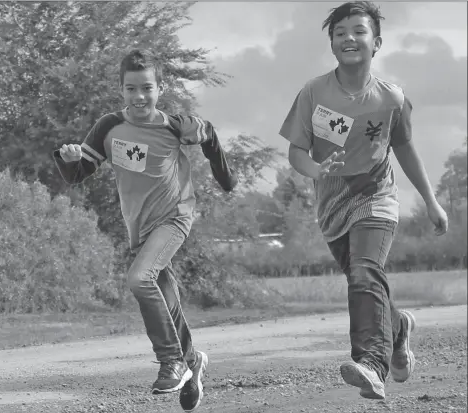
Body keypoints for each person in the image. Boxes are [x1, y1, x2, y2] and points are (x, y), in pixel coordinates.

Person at [279, 1, 449, 400]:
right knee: (364, 279)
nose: (349, 38)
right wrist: (316, 171)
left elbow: (405, 149)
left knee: (364, 270)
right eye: (340, 33)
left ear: (377, 43)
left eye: (358, 31)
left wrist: (431, 200)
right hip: (332, 204)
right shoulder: (313, 91)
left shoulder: (391, 98)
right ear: (332, 43)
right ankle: (398, 327)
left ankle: (372, 364)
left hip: (377, 197)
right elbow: (296, 153)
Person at [54, 49, 238, 411]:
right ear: (121, 90)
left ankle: (171, 360)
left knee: (139, 279)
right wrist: (66, 159)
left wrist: (226, 180)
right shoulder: (108, 127)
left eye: (147, 88)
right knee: (162, 292)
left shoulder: (175, 125)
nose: (139, 97)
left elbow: (210, 134)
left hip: (175, 216)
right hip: (140, 227)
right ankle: (192, 360)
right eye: (131, 89)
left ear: (160, 88)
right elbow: (78, 175)